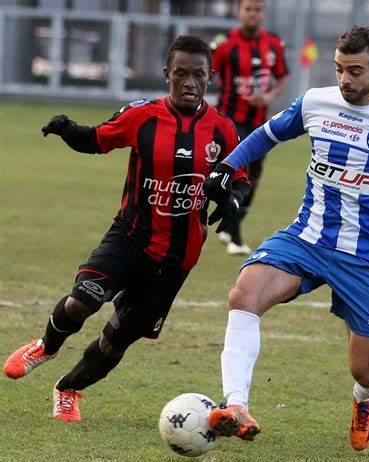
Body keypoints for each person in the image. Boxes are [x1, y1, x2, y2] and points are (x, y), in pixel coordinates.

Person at [203, 26, 369, 450]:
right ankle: (235, 405)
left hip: (365, 258)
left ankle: (366, 399)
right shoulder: (316, 102)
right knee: (244, 294)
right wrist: (228, 166)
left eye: (356, 71)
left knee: (364, 370)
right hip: (305, 239)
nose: (345, 79)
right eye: (339, 69)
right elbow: (267, 135)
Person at [2, 35, 250, 423]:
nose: (189, 82)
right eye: (180, 74)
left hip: (176, 261)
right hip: (129, 238)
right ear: (167, 74)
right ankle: (46, 347)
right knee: (82, 300)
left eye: (198, 75)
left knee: (114, 343)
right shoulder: (143, 115)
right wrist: (69, 129)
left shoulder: (223, 130)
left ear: (210, 78)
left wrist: (234, 201)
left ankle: (68, 390)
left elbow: (241, 178)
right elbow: (98, 139)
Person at [211, 0, 290, 255]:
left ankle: (231, 224)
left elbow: (283, 76)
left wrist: (269, 96)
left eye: (257, 9)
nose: (252, 14)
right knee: (239, 170)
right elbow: (207, 72)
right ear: (240, 12)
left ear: (263, 13)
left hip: (259, 123)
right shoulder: (225, 44)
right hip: (230, 120)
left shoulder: (273, 44)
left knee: (254, 173)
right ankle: (234, 236)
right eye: (248, 9)